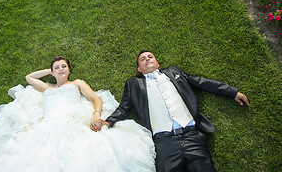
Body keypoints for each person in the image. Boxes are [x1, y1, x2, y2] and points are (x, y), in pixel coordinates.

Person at [0, 55, 156, 172]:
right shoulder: (47, 88)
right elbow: (28, 77)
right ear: (52, 72)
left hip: (73, 124)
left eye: (64, 66)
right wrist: (50, 70)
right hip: (48, 126)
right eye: (57, 67)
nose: (61, 69)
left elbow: (96, 99)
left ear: (69, 70)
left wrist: (96, 115)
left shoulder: (77, 83)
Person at [93, 50, 250, 172]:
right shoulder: (134, 84)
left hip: (192, 136)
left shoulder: (174, 72)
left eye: (150, 57)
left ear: (157, 62)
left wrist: (232, 92)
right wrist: (108, 121)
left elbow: (202, 82)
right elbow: (124, 107)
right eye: (143, 59)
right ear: (139, 69)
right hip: (164, 143)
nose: (147, 59)